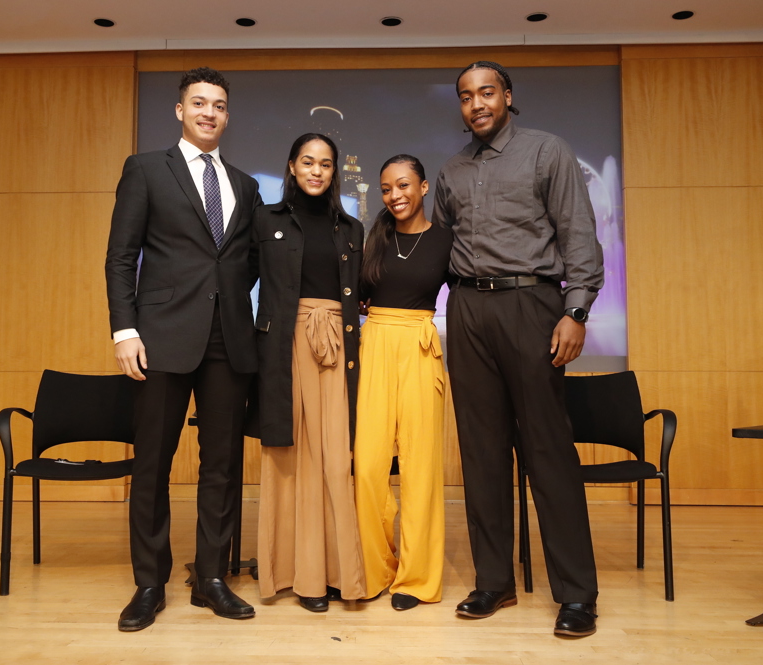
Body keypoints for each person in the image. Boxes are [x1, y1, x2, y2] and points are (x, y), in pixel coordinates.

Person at [433, 61, 605, 637]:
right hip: (468, 311)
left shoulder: (546, 150)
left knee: (547, 450)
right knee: (481, 452)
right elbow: (437, 247)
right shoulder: (452, 170)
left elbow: (578, 233)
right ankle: (493, 582)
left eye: (486, 92)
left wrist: (575, 311)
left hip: (531, 304)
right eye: (466, 96)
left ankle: (577, 594)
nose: (476, 103)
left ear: (507, 95)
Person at [105, 67, 262, 630]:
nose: (209, 113)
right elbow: (121, 255)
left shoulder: (245, 185)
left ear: (227, 114)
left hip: (229, 342)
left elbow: (242, 266)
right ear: (180, 110)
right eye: (199, 103)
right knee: (152, 463)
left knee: (221, 466)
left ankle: (212, 578)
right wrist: (126, 331)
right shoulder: (146, 169)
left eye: (219, 105)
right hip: (161, 339)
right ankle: (149, 583)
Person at [252, 133, 367, 611]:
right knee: (291, 458)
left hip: (337, 345)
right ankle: (298, 577)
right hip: (285, 345)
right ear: (292, 167)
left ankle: (341, 573)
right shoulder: (266, 220)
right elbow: (241, 281)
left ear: (334, 169)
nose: (316, 171)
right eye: (307, 162)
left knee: (337, 459)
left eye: (325, 163)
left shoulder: (352, 229)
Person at [354, 155, 452, 610]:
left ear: (424, 187)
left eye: (404, 185)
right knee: (369, 468)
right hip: (373, 345)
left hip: (419, 346)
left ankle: (415, 579)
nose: (395, 195)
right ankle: (375, 570)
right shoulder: (373, 237)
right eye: (387, 188)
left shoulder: (446, 241)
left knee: (419, 469)